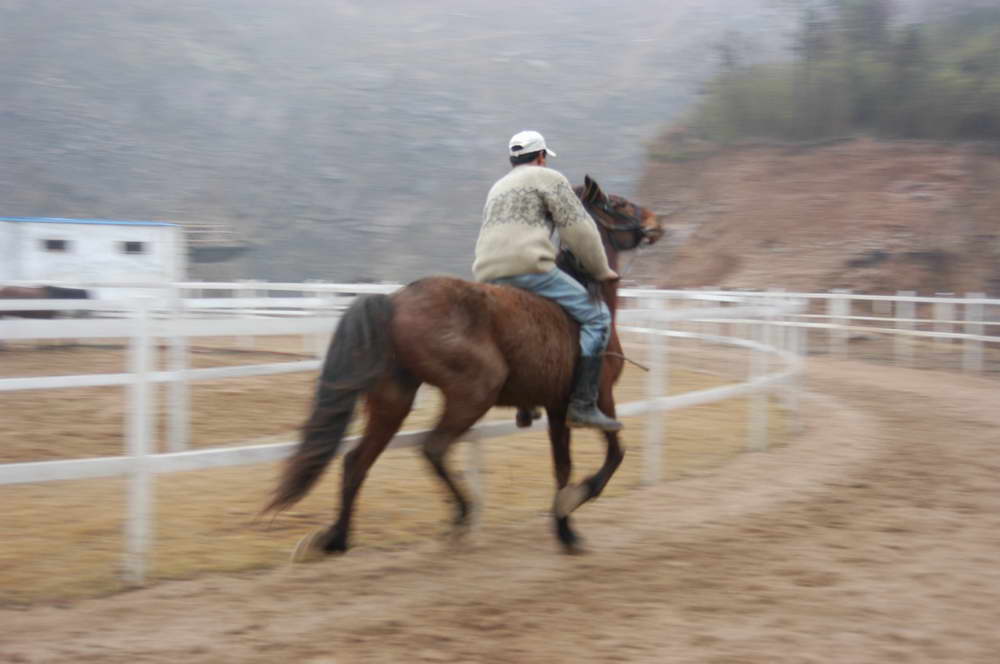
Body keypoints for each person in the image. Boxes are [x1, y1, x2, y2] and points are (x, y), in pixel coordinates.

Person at [472, 130, 622, 432]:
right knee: (597, 318)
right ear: (541, 157)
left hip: (487, 272)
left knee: (521, 327)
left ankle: (525, 404)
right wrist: (602, 270)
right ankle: (582, 405)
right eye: (544, 157)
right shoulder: (550, 179)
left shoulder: (497, 187)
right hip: (529, 267)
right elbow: (579, 231)